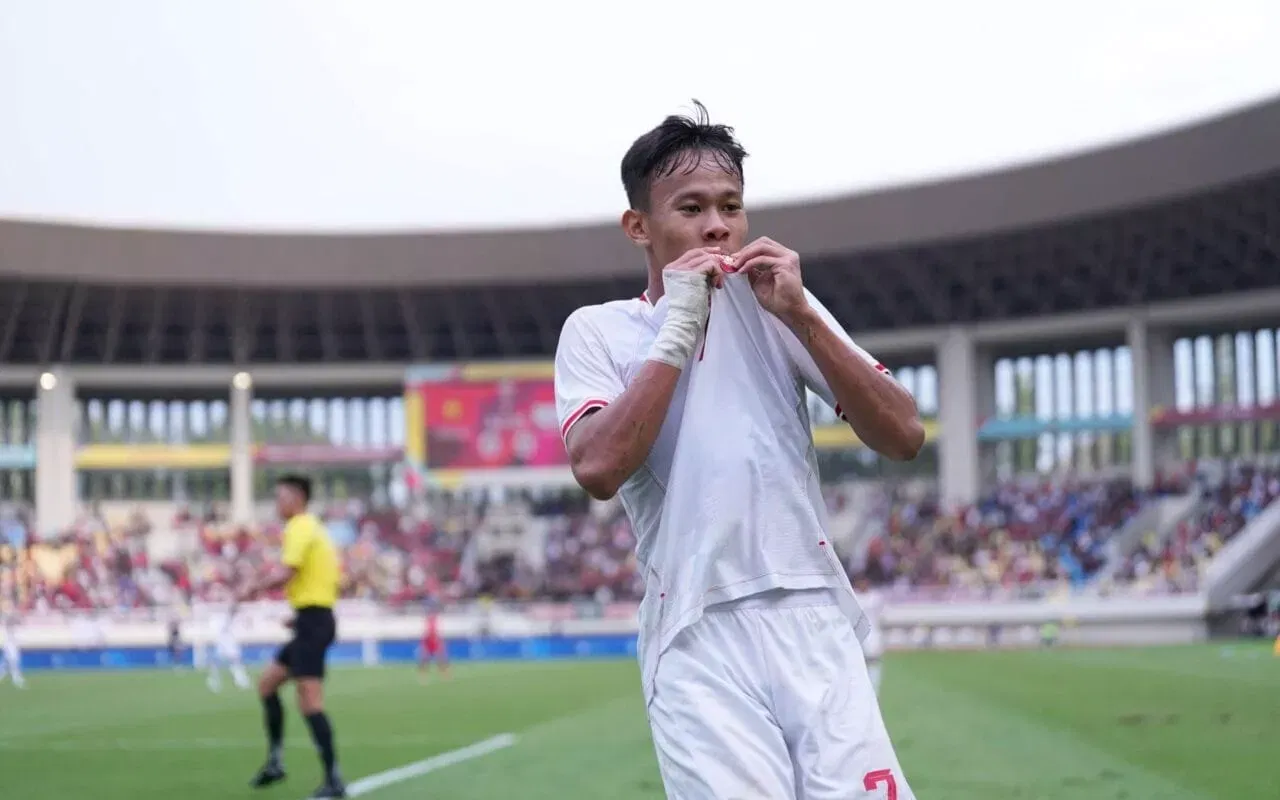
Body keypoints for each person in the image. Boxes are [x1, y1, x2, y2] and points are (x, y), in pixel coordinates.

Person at [554, 101, 925, 799]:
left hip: (813, 614)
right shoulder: (599, 332)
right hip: (697, 629)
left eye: (731, 206)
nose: (718, 225)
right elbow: (598, 467)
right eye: (691, 208)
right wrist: (681, 320)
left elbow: (903, 434)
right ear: (639, 226)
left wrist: (804, 314)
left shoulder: (779, 306)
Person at [239, 474, 346, 799]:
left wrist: (253, 588)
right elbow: (323, 575)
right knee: (268, 683)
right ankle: (276, 762)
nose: (277, 503)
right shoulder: (312, 528)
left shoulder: (300, 526)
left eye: (280, 496)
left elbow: (289, 571)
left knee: (310, 700)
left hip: (314, 622)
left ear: (297, 497)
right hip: (311, 619)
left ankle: (334, 780)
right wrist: (301, 613)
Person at [206, 602, 251, 693]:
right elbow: (224, 626)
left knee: (234, 661)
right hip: (224, 643)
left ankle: (240, 681)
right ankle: (214, 681)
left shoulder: (230, 619)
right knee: (220, 663)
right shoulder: (221, 619)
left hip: (229, 642)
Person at [417, 600, 449, 680]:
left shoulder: (435, 619)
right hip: (428, 639)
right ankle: (423, 675)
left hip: (434, 639)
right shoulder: (428, 619)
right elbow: (426, 630)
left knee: (440, 657)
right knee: (425, 658)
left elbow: (436, 630)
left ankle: (444, 674)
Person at [0, 614, 24, 689]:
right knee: (12, 664)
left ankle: (16, 678)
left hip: (12, 649)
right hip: (10, 649)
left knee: (5, 666)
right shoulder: (9, 630)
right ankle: (16, 679)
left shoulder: (12, 630)